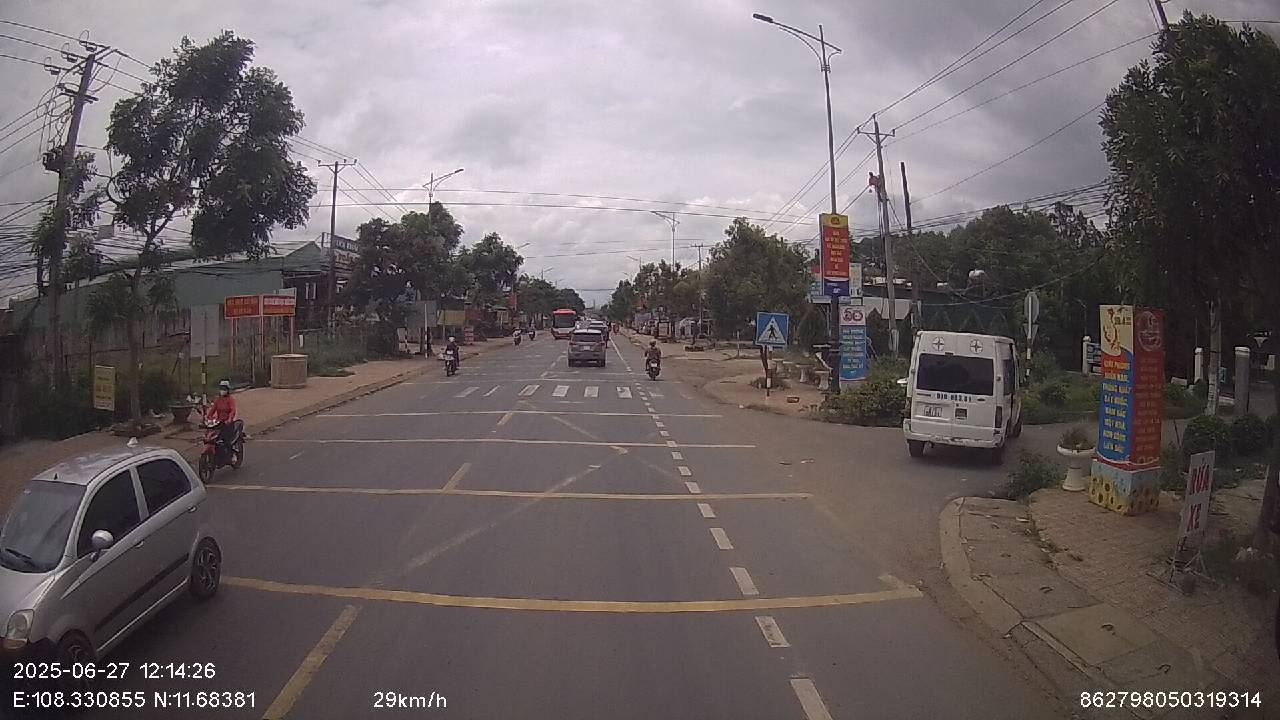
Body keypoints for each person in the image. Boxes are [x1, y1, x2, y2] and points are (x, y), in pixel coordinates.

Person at [206, 380, 240, 448]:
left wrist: (229, 419)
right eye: (221, 389)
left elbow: (233, 410)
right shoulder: (218, 400)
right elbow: (212, 410)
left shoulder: (230, 399)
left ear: (227, 390)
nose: (222, 390)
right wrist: (208, 418)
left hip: (227, 423)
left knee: (226, 440)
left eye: (224, 389)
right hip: (219, 422)